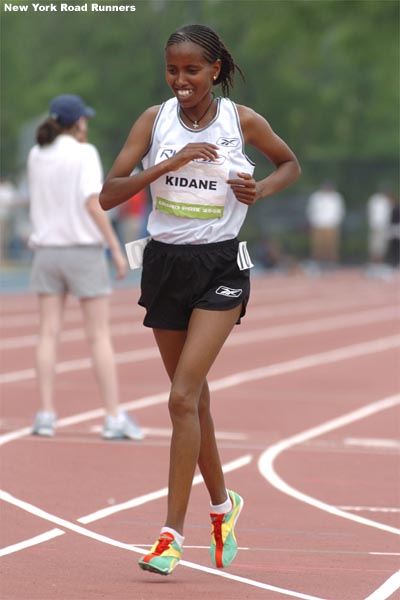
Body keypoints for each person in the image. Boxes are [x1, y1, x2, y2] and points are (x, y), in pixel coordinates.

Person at [100, 24, 300, 576]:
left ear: (215, 70)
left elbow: (290, 164)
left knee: (182, 399)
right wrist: (169, 162)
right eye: (173, 70)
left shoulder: (242, 121)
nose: (181, 80)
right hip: (164, 266)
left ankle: (170, 535)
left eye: (192, 70)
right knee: (195, 402)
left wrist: (260, 190)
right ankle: (223, 505)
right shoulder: (154, 120)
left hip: (220, 268)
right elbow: (109, 193)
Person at [27, 94, 144, 441]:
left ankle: (45, 414)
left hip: (46, 252)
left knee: (48, 332)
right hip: (82, 250)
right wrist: (115, 249)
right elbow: (92, 203)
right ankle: (112, 417)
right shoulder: (85, 153)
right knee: (98, 336)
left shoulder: (37, 154)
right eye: (85, 120)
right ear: (77, 122)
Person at [306, 181, 345, 268]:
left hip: (331, 224)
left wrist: (336, 222)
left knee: (331, 246)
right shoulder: (316, 197)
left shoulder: (336, 197)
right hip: (318, 224)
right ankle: (318, 264)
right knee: (318, 245)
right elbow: (311, 210)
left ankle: (331, 264)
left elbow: (340, 211)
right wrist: (313, 222)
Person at [367, 187, 392, 264]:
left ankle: (380, 263)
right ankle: (373, 262)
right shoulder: (374, 200)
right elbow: (370, 212)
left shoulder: (387, 201)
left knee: (382, 246)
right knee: (374, 245)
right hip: (375, 225)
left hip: (383, 226)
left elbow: (388, 214)